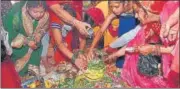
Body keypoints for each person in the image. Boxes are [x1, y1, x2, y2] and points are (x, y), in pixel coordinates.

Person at [105, 1, 175, 88]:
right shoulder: (151, 24)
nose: (136, 16)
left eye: (137, 12)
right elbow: (133, 43)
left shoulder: (173, 22)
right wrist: (115, 55)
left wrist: (153, 48)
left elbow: (176, 49)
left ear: (149, 10)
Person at [2, 1, 49, 76]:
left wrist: (40, 34)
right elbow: (11, 34)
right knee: (20, 72)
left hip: (35, 47)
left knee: (33, 69)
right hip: (20, 48)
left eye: (41, 12)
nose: (39, 15)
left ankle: (33, 78)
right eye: (35, 12)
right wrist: (27, 41)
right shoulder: (16, 16)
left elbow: (45, 26)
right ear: (27, 8)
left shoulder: (45, 15)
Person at [46, 1, 90, 70]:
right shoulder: (56, 19)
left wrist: (80, 52)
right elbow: (59, 44)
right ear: (61, 19)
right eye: (66, 23)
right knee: (61, 64)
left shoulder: (76, 17)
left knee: (71, 62)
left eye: (70, 24)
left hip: (71, 42)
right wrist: (74, 59)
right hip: (59, 46)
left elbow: (83, 37)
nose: (69, 26)